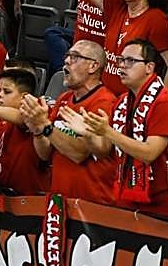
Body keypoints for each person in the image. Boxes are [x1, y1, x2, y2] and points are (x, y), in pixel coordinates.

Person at [80, 38, 168, 217]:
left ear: (149, 68)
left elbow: (149, 153)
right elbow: (104, 151)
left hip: (158, 206)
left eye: (130, 61)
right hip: (124, 197)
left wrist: (107, 132)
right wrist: (88, 133)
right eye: (120, 60)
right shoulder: (122, 101)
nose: (122, 66)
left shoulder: (165, 102)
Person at [20, 39, 118, 205]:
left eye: (75, 57)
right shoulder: (64, 99)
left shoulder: (105, 102)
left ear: (93, 66)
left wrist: (46, 126)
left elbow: (79, 153)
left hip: (92, 204)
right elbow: (45, 154)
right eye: (67, 56)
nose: (66, 61)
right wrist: (37, 129)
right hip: (61, 200)